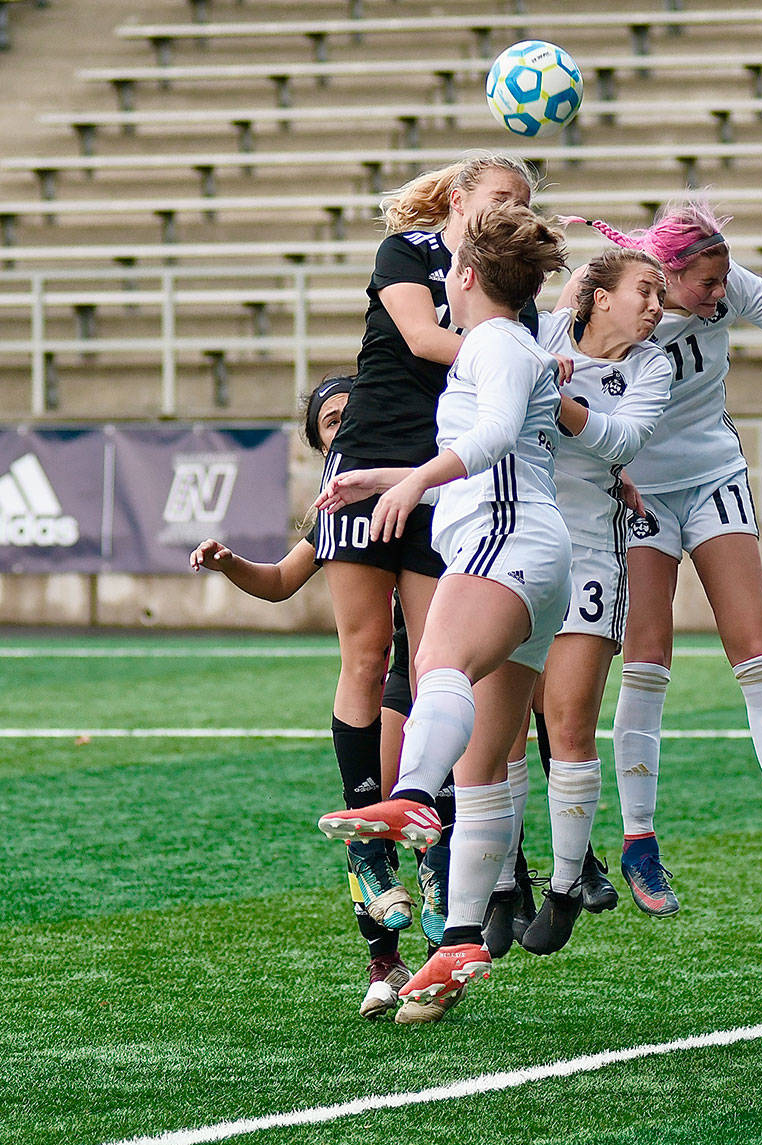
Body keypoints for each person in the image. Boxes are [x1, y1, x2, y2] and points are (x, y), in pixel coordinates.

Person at [563, 198, 762, 915]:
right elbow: (561, 369)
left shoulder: (722, 282)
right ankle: (641, 844)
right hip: (637, 491)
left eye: (724, 279)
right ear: (664, 278)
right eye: (705, 284)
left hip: (713, 478)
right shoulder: (607, 298)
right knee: (646, 660)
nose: (720, 294)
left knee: (757, 652)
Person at [314, 202, 572, 1024]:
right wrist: (383, 474)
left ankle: (413, 796)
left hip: (504, 538)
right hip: (537, 554)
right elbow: (498, 434)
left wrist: (416, 481)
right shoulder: (511, 346)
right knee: (487, 765)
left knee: (436, 668)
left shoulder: (494, 342)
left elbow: (492, 435)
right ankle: (461, 937)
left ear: (463, 276)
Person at [191, 374, 415, 1019]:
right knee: (373, 809)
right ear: (321, 448)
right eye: (332, 421)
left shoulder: (427, 480)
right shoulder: (335, 518)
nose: (346, 425)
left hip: (440, 673)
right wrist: (230, 562)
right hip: (392, 680)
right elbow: (282, 581)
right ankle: (383, 960)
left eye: (356, 413)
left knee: (420, 800)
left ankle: (448, 922)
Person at [504, 248, 673, 955]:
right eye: (645, 290)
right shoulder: (540, 336)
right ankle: (502, 885)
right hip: (515, 546)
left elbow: (620, 439)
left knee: (567, 726)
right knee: (505, 730)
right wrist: (541, 372)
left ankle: (567, 885)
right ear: (598, 297)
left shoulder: (651, 367)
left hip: (591, 554)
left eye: (661, 293)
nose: (658, 304)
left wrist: (556, 397)